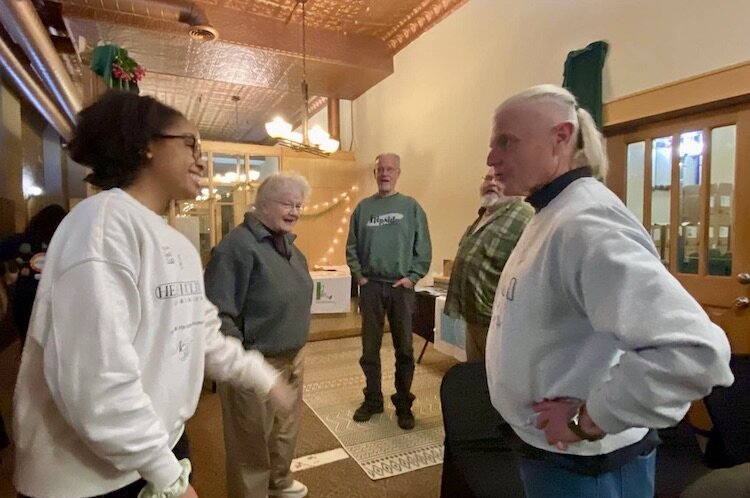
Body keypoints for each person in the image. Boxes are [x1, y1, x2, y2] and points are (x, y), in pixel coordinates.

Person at [13, 91, 294, 498]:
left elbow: (200, 334)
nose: (202, 159)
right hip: (86, 476)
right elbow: (96, 379)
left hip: (157, 448)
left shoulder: (173, 240)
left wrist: (260, 376)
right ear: (146, 146)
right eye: (191, 143)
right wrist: (167, 475)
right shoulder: (102, 225)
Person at [484, 84, 734, 498]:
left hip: (587, 467)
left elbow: (694, 352)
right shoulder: (552, 212)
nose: (492, 158)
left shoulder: (586, 222)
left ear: (560, 137)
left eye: (506, 142)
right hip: (553, 455)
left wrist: (589, 419)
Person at [204, 173, 312, 498]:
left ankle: (278, 482)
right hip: (255, 360)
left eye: (298, 205)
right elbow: (217, 314)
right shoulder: (236, 248)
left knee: (284, 428)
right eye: (287, 203)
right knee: (250, 441)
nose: (294, 211)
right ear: (263, 204)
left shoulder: (289, 246)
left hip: (293, 355)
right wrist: (245, 364)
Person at [346, 152, 432, 430]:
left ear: (398, 173)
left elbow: (423, 247)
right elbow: (351, 247)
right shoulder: (363, 208)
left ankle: (404, 402)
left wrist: (413, 277)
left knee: (404, 348)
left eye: (390, 169)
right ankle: (372, 399)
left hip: (400, 289)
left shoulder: (411, 207)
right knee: (369, 348)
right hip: (370, 287)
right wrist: (359, 276)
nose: (384, 173)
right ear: (375, 173)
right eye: (380, 169)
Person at [444, 168, 532, 361]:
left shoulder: (526, 217)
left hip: (497, 321)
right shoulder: (484, 214)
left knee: (495, 379)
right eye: (488, 178)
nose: (492, 182)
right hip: (473, 315)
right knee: (477, 376)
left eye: (500, 177)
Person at [0, 204, 67, 346]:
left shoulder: (20, 240)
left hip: (25, 296)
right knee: (54, 341)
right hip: (55, 296)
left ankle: (28, 366)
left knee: (27, 340)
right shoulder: (65, 242)